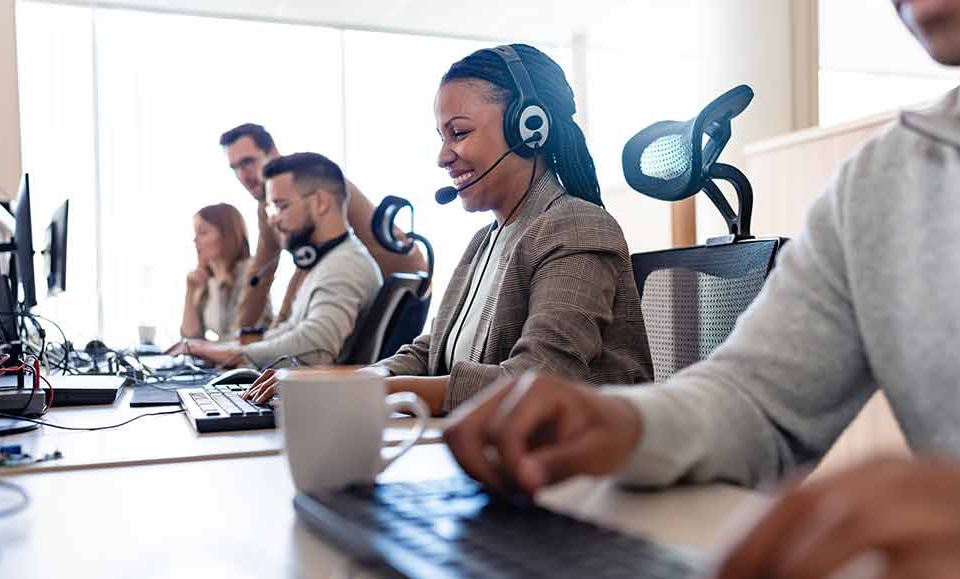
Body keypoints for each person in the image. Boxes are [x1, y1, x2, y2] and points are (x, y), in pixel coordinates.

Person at [442, 0, 960, 576]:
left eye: (457, 133)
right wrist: (629, 423)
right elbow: (756, 401)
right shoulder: (882, 183)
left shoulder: (571, 224)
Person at [242, 44, 652, 413]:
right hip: (490, 454)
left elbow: (539, 378)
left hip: (579, 476)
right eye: (442, 136)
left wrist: (369, 392)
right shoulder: (485, 241)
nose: (443, 156)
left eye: (459, 132)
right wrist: (339, 381)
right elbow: (429, 350)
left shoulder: (576, 227)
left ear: (529, 129)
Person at [218, 124, 428, 338]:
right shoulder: (268, 207)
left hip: (400, 277)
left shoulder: (311, 184)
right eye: (235, 168)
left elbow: (311, 264)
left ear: (271, 152)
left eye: (248, 162)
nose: (243, 175)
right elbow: (261, 272)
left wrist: (261, 341)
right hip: (359, 286)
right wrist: (239, 336)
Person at [179, 152, 382, 368]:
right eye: (271, 208)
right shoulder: (327, 261)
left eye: (282, 206)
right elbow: (292, 329)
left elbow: (315, 348)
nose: (273, 219)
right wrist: (225, 350)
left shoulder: (345, 265)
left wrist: (234, 355)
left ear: (320, 202)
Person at [180, 203, 270, 341]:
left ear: (227, 234)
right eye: (195, 233)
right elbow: (190, 337)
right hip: (223, 360)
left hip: (251, 360)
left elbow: (240, 337)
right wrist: (190, 290)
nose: (195, 240)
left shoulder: (249, 272)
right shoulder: (207, 280)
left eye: (203, 232)